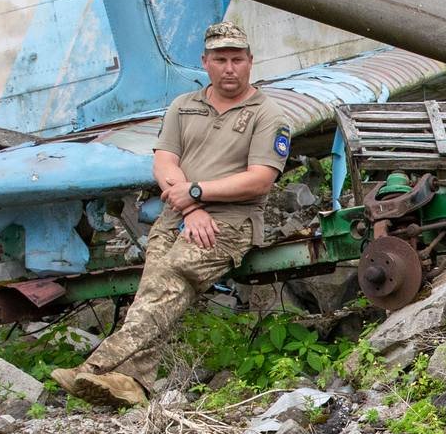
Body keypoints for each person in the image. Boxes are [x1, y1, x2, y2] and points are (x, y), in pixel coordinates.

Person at [51, 22, 293, 406]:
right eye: (220, 60)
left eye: (237, 59)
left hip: (228, 225)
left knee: (171, 279)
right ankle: (135, 383)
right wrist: (191, 205)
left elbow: (259, 180)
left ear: (250, 62)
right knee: (158, 287)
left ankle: (96, 367)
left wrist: (197, 192)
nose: (229, 68)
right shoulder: (184, 106)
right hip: (177, 215)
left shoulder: (269, 115)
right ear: (205, 62)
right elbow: (164, 163)